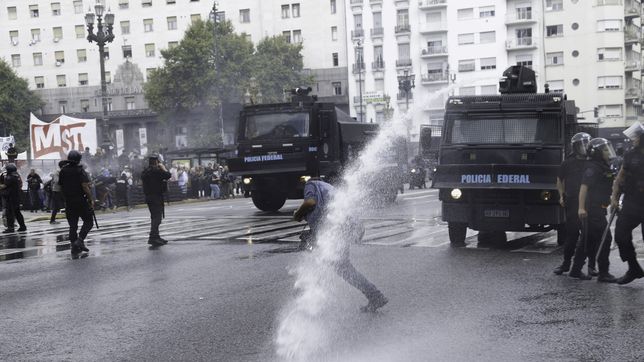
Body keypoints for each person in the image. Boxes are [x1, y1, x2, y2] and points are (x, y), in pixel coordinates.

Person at [293, 179, 388, 312]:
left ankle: (307, 300)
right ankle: (374, 295)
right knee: (340, 267)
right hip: (346, 228)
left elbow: (310, 202)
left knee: (333, 264)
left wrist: (298, 214)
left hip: (340, 229)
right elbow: (323, 215)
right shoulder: (326, 188)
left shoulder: (311, 185)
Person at [568, 138, 618, 282]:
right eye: (604, 149)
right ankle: (603, 273)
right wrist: (581, 208)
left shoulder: (601, 166)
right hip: (592, 210)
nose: (608, 152)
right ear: (596, 152)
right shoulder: (593, 168)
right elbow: (584, 188)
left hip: (598, 209)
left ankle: (576, 270)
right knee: (605, 239)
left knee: (587, 240)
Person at [611, 122, 644, 285]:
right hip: (632, 201)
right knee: (621, 235)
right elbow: (620, 177)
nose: (633, 139)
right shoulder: (630, 154)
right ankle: (634, 268)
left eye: (636, 137)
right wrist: (614, 197)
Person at [554, 132, 592, 276]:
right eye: (582, 144)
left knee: (589, 235)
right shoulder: (567, 162)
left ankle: (588, 265)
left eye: (587, 143)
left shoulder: (591, 161)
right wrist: (561, 195)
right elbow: (559, 179)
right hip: (572, 202)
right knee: (572, 235)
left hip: (590, 203)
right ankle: (565, 264)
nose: (585, 147)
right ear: (575, 147)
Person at [58, 150, 94, 257]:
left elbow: (60, 187)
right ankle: (80, 240)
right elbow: (85, 186)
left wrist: (65, 198)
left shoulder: (63, 171)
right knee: (89, 221)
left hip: (69, 201)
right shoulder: (80, 170)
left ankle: (75, 246)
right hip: (80, 200)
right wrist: (90, 199)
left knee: (72, 225)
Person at [141, 154, 171, 246]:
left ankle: (156, 236)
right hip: (156, 196)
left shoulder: (145, 171)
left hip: (149, 197)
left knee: (154, 217)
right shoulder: (157, 171)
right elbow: (168, 175)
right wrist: (163, 167)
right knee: (157, 218)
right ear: (157, 162)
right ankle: (153, 237)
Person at [0, 163, 26, 233]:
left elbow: (4, 186)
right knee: (17, 212)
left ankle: (10, 228)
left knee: (9, 213)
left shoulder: (9, 177)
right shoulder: (16, 176)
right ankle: (23, 226)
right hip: (16, 197)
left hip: (10, 197)